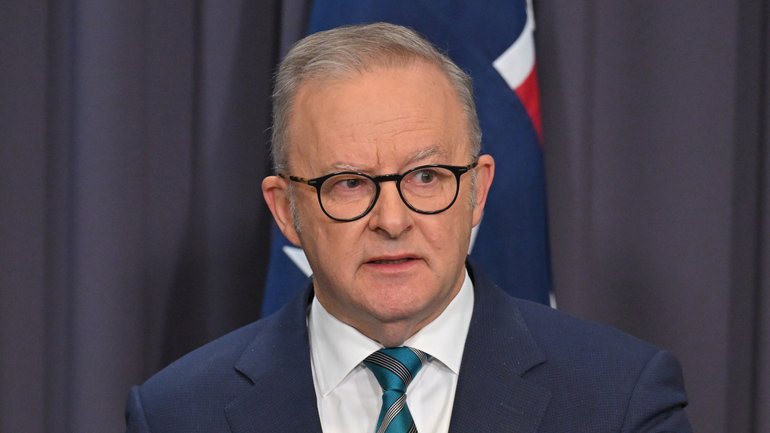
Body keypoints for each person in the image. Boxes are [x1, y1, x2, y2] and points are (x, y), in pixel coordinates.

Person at [125, 22, 691, 433]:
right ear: (285, 211)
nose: (392, 221)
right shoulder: (177, 414)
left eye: (425, 176)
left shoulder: (620, 401)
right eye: (348, 183)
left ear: (477, 191)